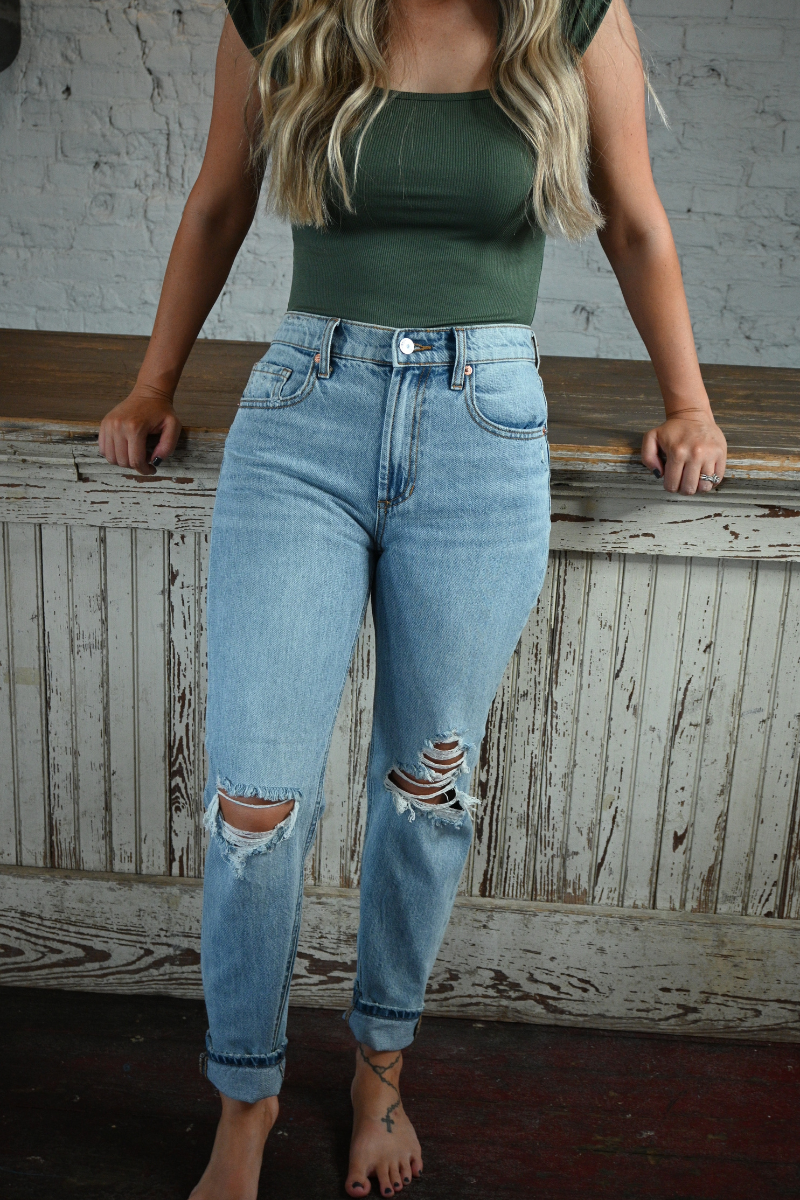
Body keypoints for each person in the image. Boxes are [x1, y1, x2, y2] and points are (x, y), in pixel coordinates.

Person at [98, 0, 728, 1194]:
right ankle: (246, 1096)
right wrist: (150, 383)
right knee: (254, 806)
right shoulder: (277, 10)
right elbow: (219, 200)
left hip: (481, 431)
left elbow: (635, 224)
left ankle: (379, 1072)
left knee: (423, 791)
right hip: (303, 416)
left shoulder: (572, 15)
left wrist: (687, 402)